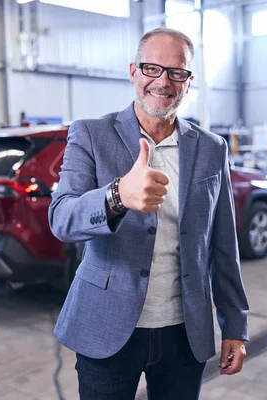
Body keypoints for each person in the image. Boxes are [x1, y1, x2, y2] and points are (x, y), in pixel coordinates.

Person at [49, 27, 249, 399]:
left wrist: (234, 325)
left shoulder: (211, 148)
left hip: (184, 331)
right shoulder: (91, 135)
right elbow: (62, 219)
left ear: (189, 82)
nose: (163, 81)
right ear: (133, 72)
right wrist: (116, 196)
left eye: (177, 72)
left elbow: (223, 244)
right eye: (152, 68)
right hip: (106, 326)